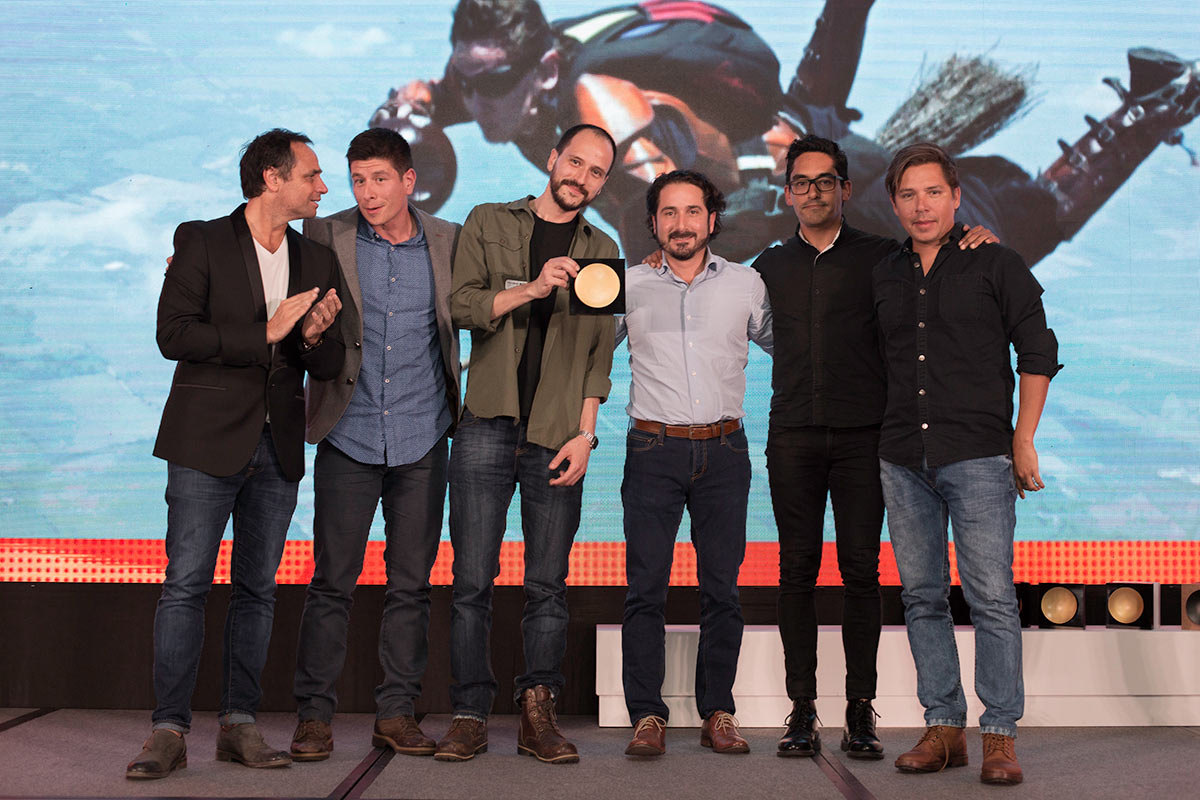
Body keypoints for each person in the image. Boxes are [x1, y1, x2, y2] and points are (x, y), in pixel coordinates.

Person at [370, 0, 1200, 265]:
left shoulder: (603, 109)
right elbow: (433, 102)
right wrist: (407, 118)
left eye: (488, 83)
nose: (472, 100)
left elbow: (675, 214)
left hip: (814, 185)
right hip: (780, 156)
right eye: (465, 81)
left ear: (545, 68)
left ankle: (1158, 104)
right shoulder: (505, 88)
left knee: (1010, 236)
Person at [750, 134, 994, 759]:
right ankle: (801, 710)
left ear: (845, 188)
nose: (812, 192)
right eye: (801, 182)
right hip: (793, 436)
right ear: (787, 193)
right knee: (795, 571)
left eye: (824, 181)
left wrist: (976, 237)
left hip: (867, 437)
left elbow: (941, 259)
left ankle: (861, 709)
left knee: (862, 571)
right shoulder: (767, 266)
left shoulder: (886, 256)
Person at [127, 129, 344, 779]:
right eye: (311, 175)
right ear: (272, 179)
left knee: (258, 590)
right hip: (204, 441)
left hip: (277, 448)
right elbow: (174, 335)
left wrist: (313, 337)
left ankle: (238, 724)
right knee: (185, 585)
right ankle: (168, 730)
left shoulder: (317, 258)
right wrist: (265, 332)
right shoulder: (201, 240)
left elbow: (328, 362)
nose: (323, 187)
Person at [873, 142, 1061, 786]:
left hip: (980, 456)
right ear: (893, 204)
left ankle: (1000, 734)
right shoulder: (883, 272)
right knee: (922, 597)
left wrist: (1024, 439)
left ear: (957, 197)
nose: (921, 206)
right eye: (908, 195)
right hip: (902, 457)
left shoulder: (997, 262)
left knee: (992, 598)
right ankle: (944, 726)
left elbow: (1037, 351)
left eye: (933, 192)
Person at [438, 123, 618, 763]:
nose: (581, 178)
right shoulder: (488, 220)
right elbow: (462, 307)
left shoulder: (603, 248)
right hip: (485, 423)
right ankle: (469, 714)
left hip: (556, 435)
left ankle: (537, 714)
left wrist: (586, 435)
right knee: (471, 581)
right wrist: (535, 288)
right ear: (552, 159)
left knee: (547, 584)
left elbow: (599, 354)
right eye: (576, 162)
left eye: (596, 172)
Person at [289, 128, 462, 761]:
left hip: (423, 434)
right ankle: (314, 717)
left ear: (409, 180)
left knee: (411, 585)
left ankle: (397, 712)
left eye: (380, 179)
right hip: (348, 431)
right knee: (331, 582)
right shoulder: (323, 234)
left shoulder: (449, 240)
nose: (367, 192)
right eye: (358, 180)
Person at [618, 170, 772, 758]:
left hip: (726, 451)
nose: (680, 224)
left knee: (722, 590)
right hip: (652, 451)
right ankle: (646, 714)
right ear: (653, 222)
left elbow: (794, 346)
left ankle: (718, 711)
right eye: (668, 213)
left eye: (692, 212)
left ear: (712, 219)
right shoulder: (627, 285)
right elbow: (582, 354)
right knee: (645, 589)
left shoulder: (747, 284)